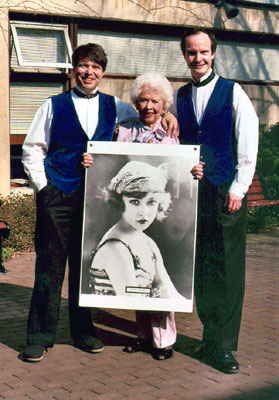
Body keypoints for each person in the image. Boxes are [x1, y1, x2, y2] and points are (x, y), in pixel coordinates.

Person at [21, 43, 178, 363]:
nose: (88, 72)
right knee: (49, 268)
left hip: (93, 201)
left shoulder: (116, 107)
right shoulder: (53, 106)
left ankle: (83, 332)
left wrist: (169, 115)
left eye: (95, 67)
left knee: (84, 269)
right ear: (73, 69)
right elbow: (32, 149)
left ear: (102, 72)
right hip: (59, 196)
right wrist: (45, 187)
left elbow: (147, 114)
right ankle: (39, 336)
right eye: (83, 65)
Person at [169, 28, 259, 373]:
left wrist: (238, 188)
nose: (198, 58)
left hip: (226, 192)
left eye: (204, 52)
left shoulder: (232, 92)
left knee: (228, 270)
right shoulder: (179, 96)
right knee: (204, 267)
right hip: (195, 194)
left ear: (213, 53)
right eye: (192, 53)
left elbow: (246, 145)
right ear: (185, 56)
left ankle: (223, 346)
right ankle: (209, 338)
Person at [100, 72, 201, 360]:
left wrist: (194, 170)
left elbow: (181, 172)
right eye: (142, 100)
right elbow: (111, 161)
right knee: (138, 274)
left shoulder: (172, 136)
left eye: (155, 101)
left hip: (160, 216)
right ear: (135, 103)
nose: (148, 106)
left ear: (164, 105)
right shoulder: (124, 131)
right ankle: (143, 335)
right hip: (133, 215)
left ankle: (163, 340)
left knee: (158, 275)